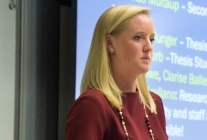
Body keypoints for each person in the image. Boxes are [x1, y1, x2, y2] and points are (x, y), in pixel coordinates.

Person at [66, 5, 168, 140]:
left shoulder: (154, 104)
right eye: (138, 37)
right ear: (110, 43)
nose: (149, 47)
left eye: (151, 39)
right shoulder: (92, 105)